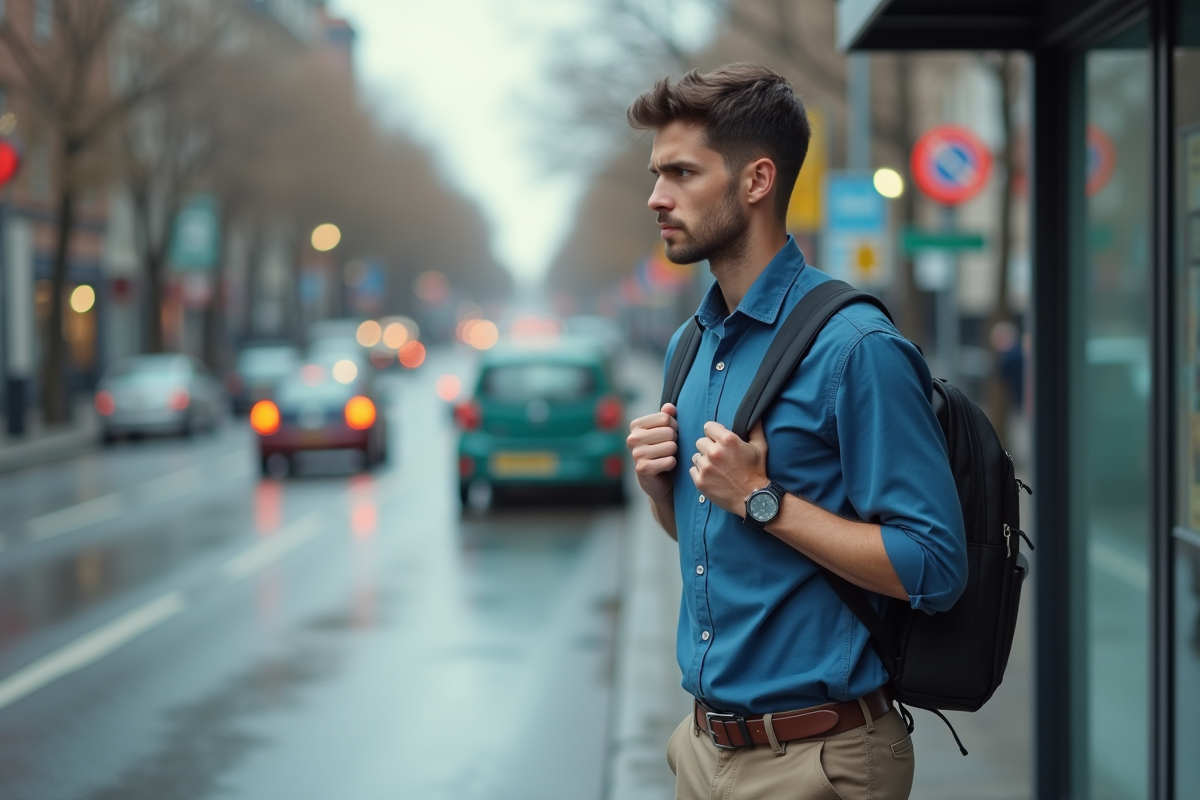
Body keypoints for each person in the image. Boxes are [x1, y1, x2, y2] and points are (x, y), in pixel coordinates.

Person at [624, 64, 967, 800]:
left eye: (682, 172)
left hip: (819, 759)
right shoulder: (690, 344)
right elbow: (722, 554)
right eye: (656, 173)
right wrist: (664, 494)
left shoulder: (856, 348)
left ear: (756, 182)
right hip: (701, 751)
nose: (656, 196)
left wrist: (761, 496)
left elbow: (936, 566)